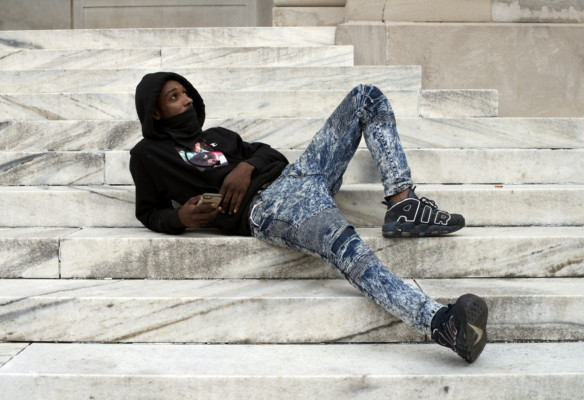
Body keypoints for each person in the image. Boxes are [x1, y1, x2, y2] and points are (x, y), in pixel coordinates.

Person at [130, 72, 488, 363]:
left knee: (365, 96)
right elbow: (148, 211)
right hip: (269, 208)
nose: (187, 100)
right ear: (155, 113)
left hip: (300, 175)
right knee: (345, 246)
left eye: (186, 93)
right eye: (174, 97)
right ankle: (441, 323)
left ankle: (403, 203)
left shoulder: (219, 136)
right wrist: (181, 218)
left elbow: (272, 155)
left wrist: (245, 167)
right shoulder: (149, 154)